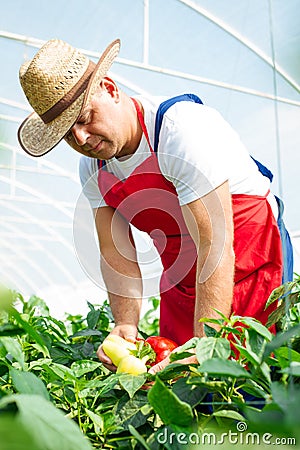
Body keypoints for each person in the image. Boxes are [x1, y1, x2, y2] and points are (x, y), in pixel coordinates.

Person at [18, 38, 293, 374]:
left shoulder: (179, 131)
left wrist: (207, 342)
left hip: (247, 255)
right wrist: (125, 325)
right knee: (178, 385)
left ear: (110, 89)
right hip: (182, 278)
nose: (81, 138)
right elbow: (115, 253)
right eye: (66, 134)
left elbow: (215, 244)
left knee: (247, 379)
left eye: (86, 118)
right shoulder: (94, 168)